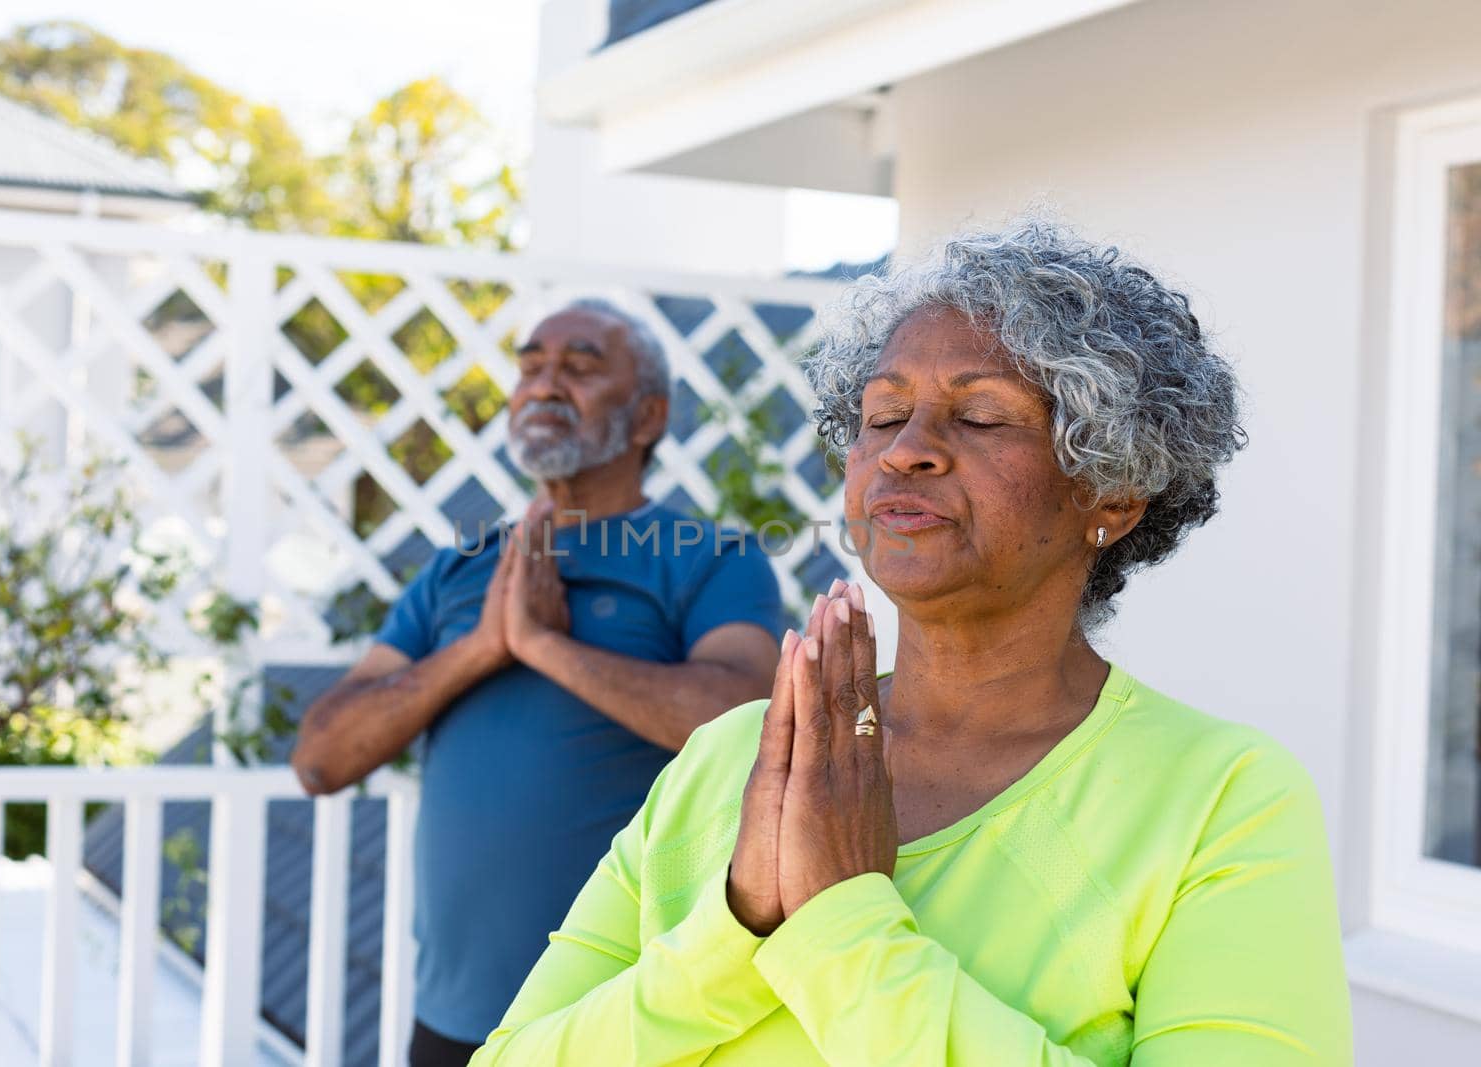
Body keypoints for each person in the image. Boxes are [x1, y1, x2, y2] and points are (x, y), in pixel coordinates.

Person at [471, 221, 1354, 1065]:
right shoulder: (730, 756)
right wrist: (737, 925)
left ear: (1114, 493)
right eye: (883, 414)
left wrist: (845, 928)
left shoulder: (1221, 802)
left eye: (980, 418)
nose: (905, 452)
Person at [289, 299, 785, 1065]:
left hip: (619, 1023)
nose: (545, 384)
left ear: (648, 415)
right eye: (530, 366)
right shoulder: (460, 568)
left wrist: (546, 646)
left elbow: (742, 714)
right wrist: (483, 646)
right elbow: (320, 757)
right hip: (450, 1023)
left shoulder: (709, 557)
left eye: (581, 366)